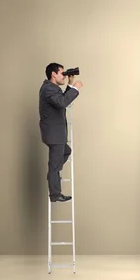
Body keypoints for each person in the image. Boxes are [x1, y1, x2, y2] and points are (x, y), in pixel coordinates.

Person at [39, 63, 83, 202]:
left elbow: (60, 100)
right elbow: (62, 103)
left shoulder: (52, 88)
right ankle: (55, 194)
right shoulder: (48, 89)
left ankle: (53, 174)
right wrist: (75, 88)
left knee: (65, 152)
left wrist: (69, 85)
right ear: (53, 74)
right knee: (54, 167)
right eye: (62, 73)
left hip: (56, 134)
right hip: (54, 134)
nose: (63, 76)